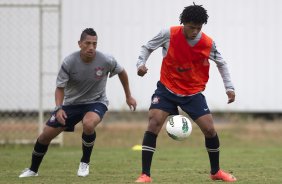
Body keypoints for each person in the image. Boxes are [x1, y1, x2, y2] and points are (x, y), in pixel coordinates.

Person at [135, 3, 236, 183]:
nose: (195, 31)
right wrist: (140, 64)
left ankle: (216, 172)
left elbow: (222, 63)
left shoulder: (207, 43)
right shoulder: (169, 34)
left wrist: (229, 88)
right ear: (183, 23)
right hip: (167, 89)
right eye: (191, 27)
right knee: (154, 122)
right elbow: (147, 47)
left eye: (199, 27)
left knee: (210, 130)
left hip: (192, 93)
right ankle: (145, 175)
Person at [19, 28, 137, 178]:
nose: (91, 47)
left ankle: (84, 163)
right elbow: (60, 88)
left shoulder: (106, 60)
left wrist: (128, 96)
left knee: (88, 124)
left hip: (96, 102)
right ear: (80, 44)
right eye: (87, 43)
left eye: (94, 44)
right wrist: (58, 108)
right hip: (71, 105)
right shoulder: (69, 62)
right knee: (44, 136)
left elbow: (122, 72)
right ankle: (33, 170)